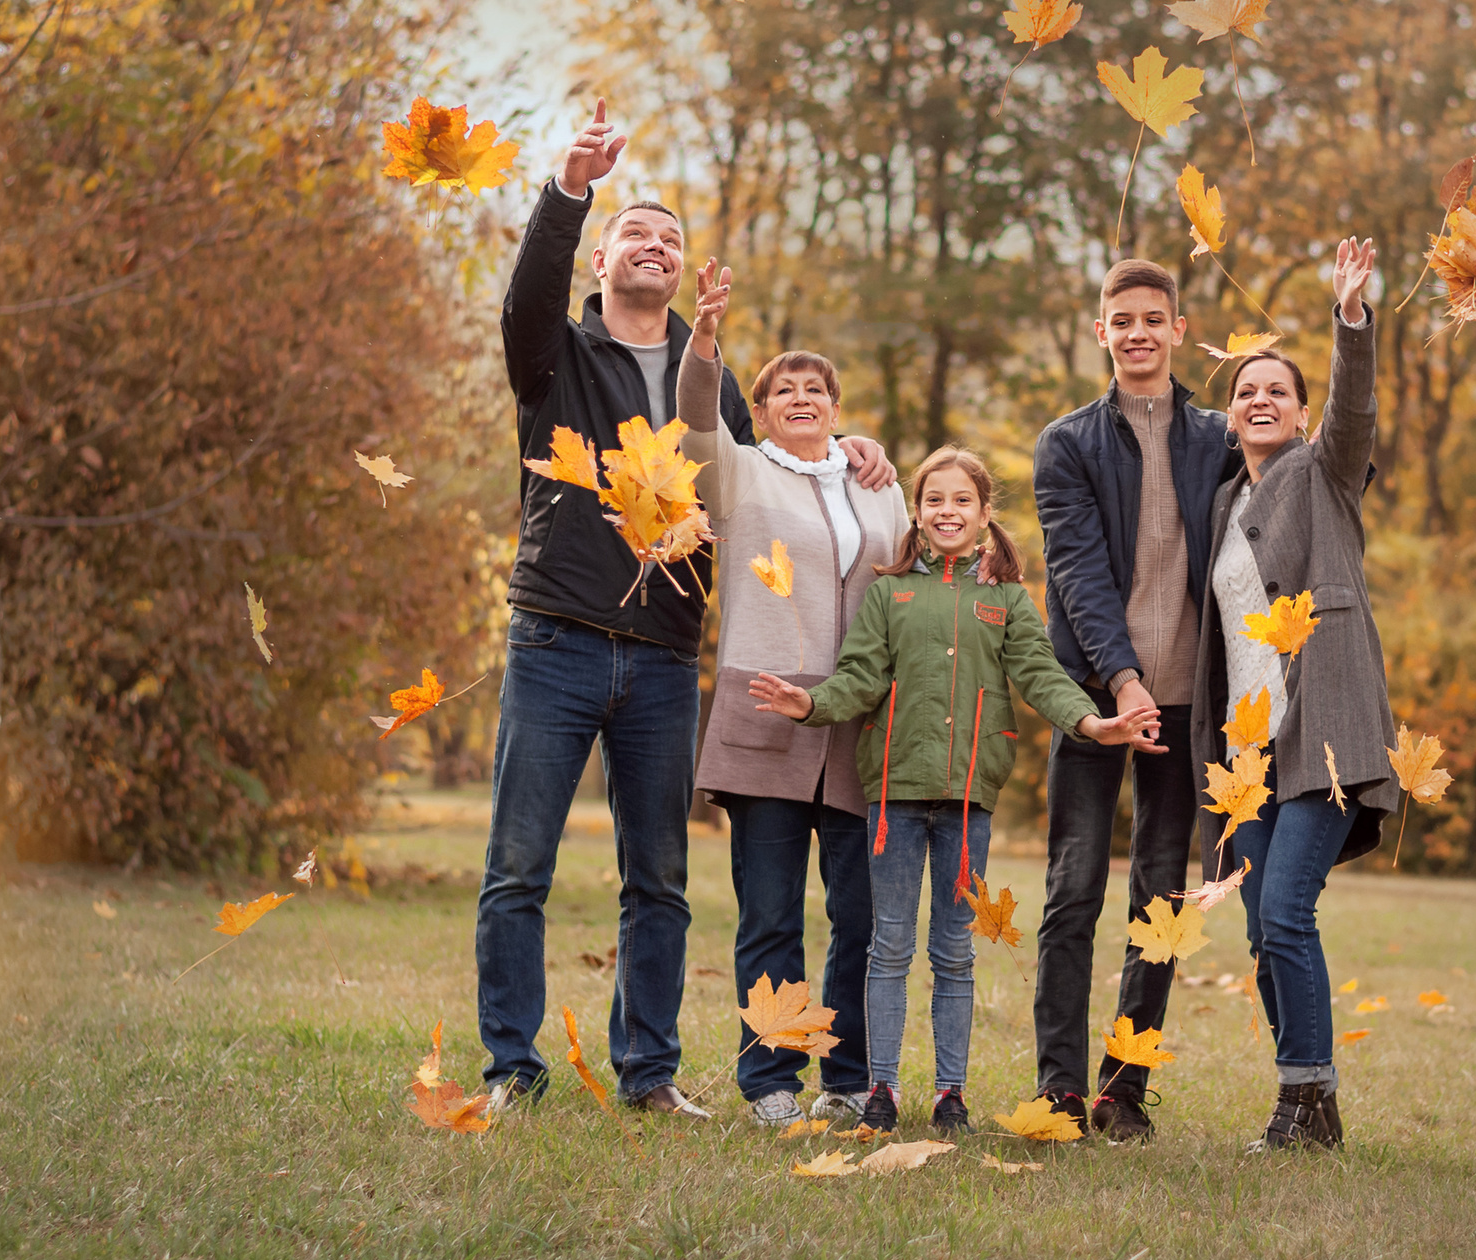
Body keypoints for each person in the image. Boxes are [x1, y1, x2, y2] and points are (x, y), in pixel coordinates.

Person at [480, 100, 893, 1118]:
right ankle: (509, 1069)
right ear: (602, 262)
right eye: (637, 232)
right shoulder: (557, 359)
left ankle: (649, 1074)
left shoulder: (720, 392)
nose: (655, 245)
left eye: (670, 237)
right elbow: (524, 298)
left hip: (665, 659)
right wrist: (570, 188)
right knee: (519, 865)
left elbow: (776, 491)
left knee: (657, 880)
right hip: (556, 639)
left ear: (682, 271)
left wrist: (855, 454)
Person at [747, 448, 1164, 1135]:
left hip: (970, 796)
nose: (948, 511)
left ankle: (950, 1093)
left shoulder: (1004, 600)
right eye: (935, 499)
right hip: (896, 797)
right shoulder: (889, 593)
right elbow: (859, 676)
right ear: (917, 510)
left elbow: (1041, 674)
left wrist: (1092, 721)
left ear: (984, 513)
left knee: (953, 950)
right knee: (889, 946)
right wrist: (811, 705)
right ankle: (881, 1086)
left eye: (961, 500)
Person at [676, 258, 908, 1128]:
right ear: (763, 411)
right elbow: (698, 423)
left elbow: (916, 588)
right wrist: (705, 342)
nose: (802, 397)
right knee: (770, 914)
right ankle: (770, 1081)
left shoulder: (878, 490)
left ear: (838, 410)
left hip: (857, 723)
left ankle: (848, 1079)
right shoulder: (738, 474)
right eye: (784, 390)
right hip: (764, 709)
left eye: (817, 388)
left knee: (858, 916)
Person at [1189, 238, 1395, 1153]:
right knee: (1258, 931)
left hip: (1324, 727)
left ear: (1301, 411)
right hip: (1247, 748)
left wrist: (1350, 317)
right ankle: (1306, 1102)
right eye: (1245, 391)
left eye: (1277, 389)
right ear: (1230, 416)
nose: (1260, 399)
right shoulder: (1225, 500)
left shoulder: (1325, 476)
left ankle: (1304, 1100)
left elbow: (1354, 414)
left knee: (1284, 911)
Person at [1029, 258, 1238, 1142]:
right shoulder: (1067, 443)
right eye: (1124, 319)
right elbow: (1077, 573)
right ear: (1102, 330)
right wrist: (1121, 681)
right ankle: (1061, 1088)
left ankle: (1125, 1090)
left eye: (1155, 318)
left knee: (1160, 901)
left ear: (1179, 328)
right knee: (1072, 891)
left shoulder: (1222, 437)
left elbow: (1325, 475)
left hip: (1190, 708)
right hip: (1094, 699)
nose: (1140, 332)